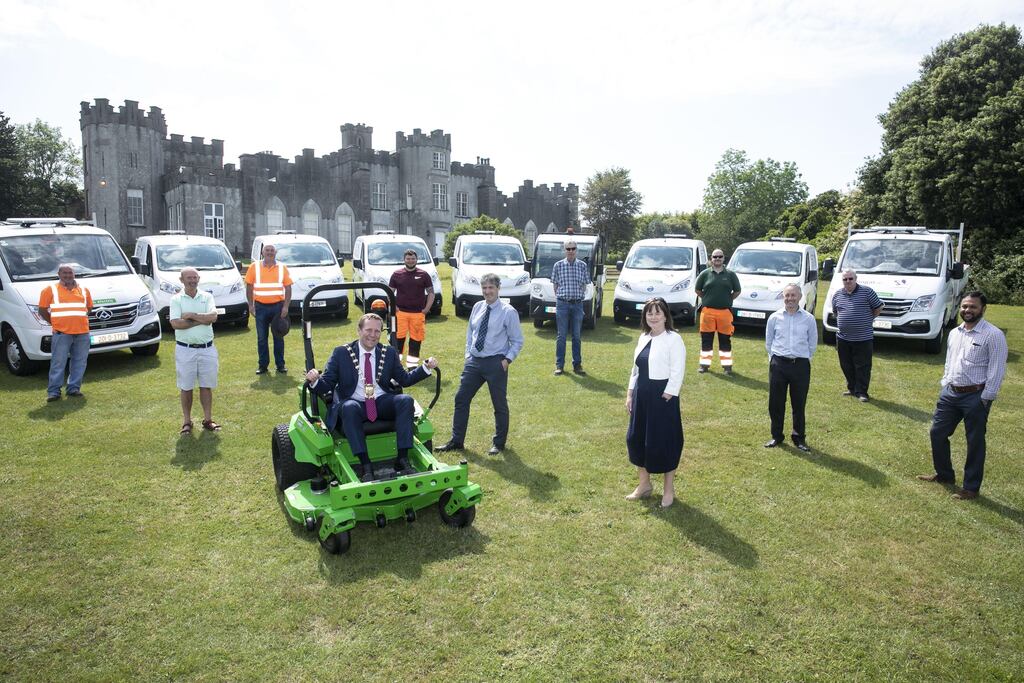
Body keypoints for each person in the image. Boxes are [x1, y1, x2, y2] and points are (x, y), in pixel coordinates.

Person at [306, 313, 438, 481]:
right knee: (349, 407)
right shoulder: (341, 353)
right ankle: (365, 464)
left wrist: (425, 368)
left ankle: (402, 458)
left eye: (377, 331)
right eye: (368, 330)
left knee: (406, 400)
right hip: (355, 403)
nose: (373, 335)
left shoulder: (388, 352)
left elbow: (404, 379)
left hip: (381, 401)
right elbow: (327, 384)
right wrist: (314, 381)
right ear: (359, 330)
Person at [918, 291, 1008, 500]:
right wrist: (945, 382)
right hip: (950, 392)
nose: (967, 310)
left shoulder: (993, 335)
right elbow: (950, 360)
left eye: (973, 307)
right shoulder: (955, 332)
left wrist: (986, 397)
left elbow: (996, 370)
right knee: (937, 433)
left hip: (976, 396)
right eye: (965, 306)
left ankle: (971, 488)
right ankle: (945, 475)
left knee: (975, 442)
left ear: (983, 309)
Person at [437, 273, 524, 456]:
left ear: (498, 289)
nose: (487, 291)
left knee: (499, 404)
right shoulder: (477, 307)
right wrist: (468, 355)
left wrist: (507, 360)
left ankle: (498, 444)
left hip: (496, 363)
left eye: (491, 288)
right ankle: (457, 441)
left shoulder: (508, 312)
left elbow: (517, 340)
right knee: (461, 398)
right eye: (484, 288)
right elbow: (470, 333)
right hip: (474, 362)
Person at [625, 297, 686, 508]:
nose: (653, 317)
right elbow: (636, 369)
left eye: (657, 312)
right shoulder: (643, 337)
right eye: (649, 313)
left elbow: (678, 370)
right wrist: (630, 393)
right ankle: (644, 484)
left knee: (664, 442)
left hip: (662, 398)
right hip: (641, 395)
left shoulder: (673, 339)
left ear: (665, 315)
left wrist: (669, 394)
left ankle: (669, 490)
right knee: (636, 439)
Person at [764, 284, 818, 452]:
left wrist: (803, 358)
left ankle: (799, 438)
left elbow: (812, 343)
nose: (790, 299)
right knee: (776, 403)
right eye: (787, 295)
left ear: (800, 296)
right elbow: (769, 341)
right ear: (783, 297)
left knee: (799, 403)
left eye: (793, 295)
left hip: (800, 366)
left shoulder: (808, 319)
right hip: (778, 364)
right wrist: (774, 359)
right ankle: (776, 436)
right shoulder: (774, 318)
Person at [170, 267, 221, 434]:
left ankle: (207, 420)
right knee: (186, 387)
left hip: (207, 348)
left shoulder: (207, 297)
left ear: (198, 278)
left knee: (206, 386)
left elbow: (213, 317)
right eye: (189, 277)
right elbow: (176, 324)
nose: (192, 280)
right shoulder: (176, 299)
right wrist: (202, 319)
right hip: (185, 350)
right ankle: (187, 422)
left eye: (195, 277)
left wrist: (191, 315)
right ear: (182, 280)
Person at [38, 264, 93, 402]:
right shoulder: (50, 290)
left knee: (80, 362)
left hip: (82, 333)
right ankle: (54, 392)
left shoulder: (84, 290)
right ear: (59, 274)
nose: (68, 275)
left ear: (74, 274)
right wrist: (55, 323)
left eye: (70, 273)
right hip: (61, 333)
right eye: (64, 273)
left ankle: (74, 388)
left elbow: (89, 308)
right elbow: (42, 310)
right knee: (58, 363)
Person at [831, 269, 884, 401]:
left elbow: (878, 307)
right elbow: (836, 312)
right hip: (843, 338)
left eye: (850, 278)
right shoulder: (837, 294)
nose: (848, 281)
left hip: (863, 338)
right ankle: (852, 388)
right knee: (846, 365)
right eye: (845, 279)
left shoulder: (867, 292)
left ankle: (862, 392)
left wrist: (867, 319)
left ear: (855, 279)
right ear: (842, 280)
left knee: (863, 366)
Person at [245, 244, 292, 375]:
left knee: (279, 337)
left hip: (278, 307)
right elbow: (249, 287)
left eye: (272, 251)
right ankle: (263, 366)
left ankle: (280, 365)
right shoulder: (254, 267)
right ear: (262, 252)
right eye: (267, 250)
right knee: (261, 338)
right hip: (260, 307)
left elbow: (288, 288)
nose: (270, 252)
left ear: (275, 253)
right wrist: (250, 305)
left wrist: (286, 306)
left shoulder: (282, 267)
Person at [694, 248, 741, 374]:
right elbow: (698, 290)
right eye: (715, 257)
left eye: (720, 256)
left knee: (725, 340)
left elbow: (737, 291)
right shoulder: (704, 274)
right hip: (707, 312)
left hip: (725, 313)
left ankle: (727, 367)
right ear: (711, 259)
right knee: (706, 340)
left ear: (723, 258)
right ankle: (704, 365)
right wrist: (707, 298)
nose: (717, 259)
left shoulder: (731, 275)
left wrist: (727, 299)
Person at [388, 248, 435, 368]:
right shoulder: (396, 274)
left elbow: (431, 292)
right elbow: (389, 293)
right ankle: (396, 365)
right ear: (404, 259)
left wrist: (426, 309)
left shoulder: (423, 275)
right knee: (398, 341)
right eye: (408, 259)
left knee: (415, 341)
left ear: (416, 260)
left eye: (413, 258)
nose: (410, 261)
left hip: (418, 314)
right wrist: (394, 306)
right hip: (401, 313)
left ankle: (412, 366)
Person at [551, 239, 590, 376]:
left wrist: (577, 296)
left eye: (573, 248)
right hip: (562, 304)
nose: (571, 251)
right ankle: (559, 365)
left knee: (577, 336)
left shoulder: (583, 266)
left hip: (577, 304)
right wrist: (563, 298)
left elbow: (585, 284)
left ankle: (577, 365)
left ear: (576, 249)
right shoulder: (558, 266)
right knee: (561, 336)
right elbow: (555, 286)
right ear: (564, 250)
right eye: (568, 249)